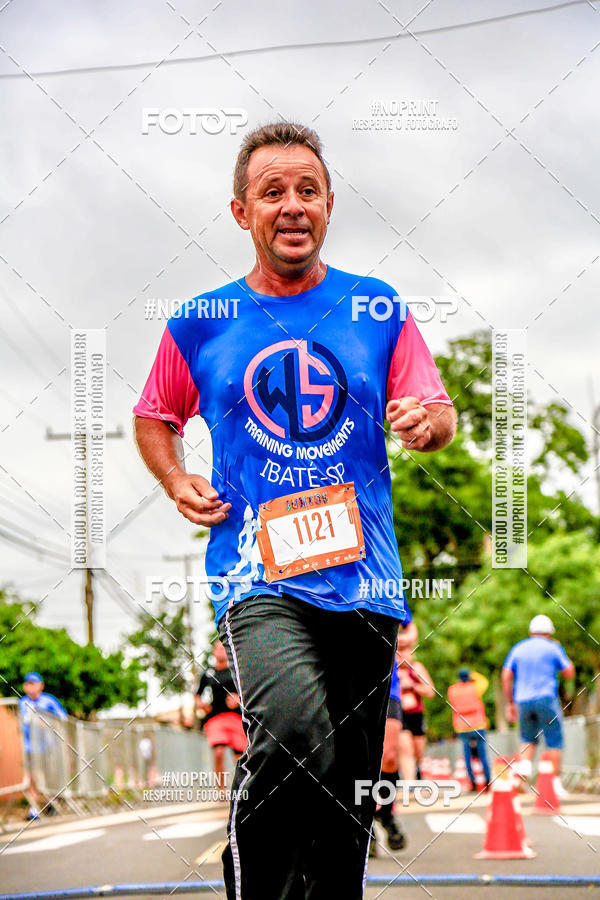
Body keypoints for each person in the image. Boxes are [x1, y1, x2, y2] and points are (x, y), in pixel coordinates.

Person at [134, 121, 455, 899]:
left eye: (307, 190)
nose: (292, 205)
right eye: (272, 191)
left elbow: (436, 409)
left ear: (328, 205)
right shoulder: (201, 320)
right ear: (242, 212)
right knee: (292, 735)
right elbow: (154, 416)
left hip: (366, 580)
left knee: (348, 786)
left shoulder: (376, 308)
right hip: (257, 575)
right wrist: (176, 479)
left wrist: (425, 425)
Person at [502, 614, 574, 791]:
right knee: (554, 739)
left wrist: (510, 702)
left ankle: (521, 777)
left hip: (523, 701)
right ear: (549, 632)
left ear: (530, 631)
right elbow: (569, 673)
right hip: (546, 698)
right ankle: (555, 783)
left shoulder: (518, 648)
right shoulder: (553, 647)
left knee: (527, 738)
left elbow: (506, 676)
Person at [371, 614, 418, 856]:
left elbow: (411, 630)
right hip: (345, 680)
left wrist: (394, 639)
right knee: (357, 755)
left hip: (389, 684)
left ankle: (385, 813)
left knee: (388, 756)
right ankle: (363, 822)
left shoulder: (386, 580)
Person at [196, 640, 247, 787]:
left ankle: (240, 787)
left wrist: (238, 699)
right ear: (213, 652)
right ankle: (221, 789)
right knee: (218, 752)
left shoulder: (236, 671)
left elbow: (247, 693)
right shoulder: (208, 674)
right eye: (217, 649)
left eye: (223, 648)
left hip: (235, 718)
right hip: (215, 719)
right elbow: (197, 695)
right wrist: (202, 705)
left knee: (239, 757)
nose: (220, 651)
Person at [17, 672, 67, 819]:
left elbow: (62, 718)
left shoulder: (49, 701)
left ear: (41, 685)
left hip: (47, 747)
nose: (30, 686)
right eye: (28, 683)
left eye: (33, 683)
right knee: (32, 777)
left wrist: (47, 723)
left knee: (48, 776)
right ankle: (34, 808)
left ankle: (51, 802)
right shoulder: (22, 703)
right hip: (29, 747)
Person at [448, 668, 491, 792]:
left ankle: (472, 782)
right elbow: (484, 681)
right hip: (478, 725)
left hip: (462, 726)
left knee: (467, 756)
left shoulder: (453, 690)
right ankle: (487, 781)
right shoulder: (475, 687)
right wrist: (473, 674)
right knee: (482, 755)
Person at [397, 648, 435, 781]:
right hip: (399, 715)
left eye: (405, 652)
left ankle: (417, 769)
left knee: (418, 751)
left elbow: (430, 692)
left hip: (417, 715)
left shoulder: (417, 668)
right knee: (406, 749)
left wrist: (412, 685)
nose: (402, 656)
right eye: (399, 653)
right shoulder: (392, 671)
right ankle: (409, 783)